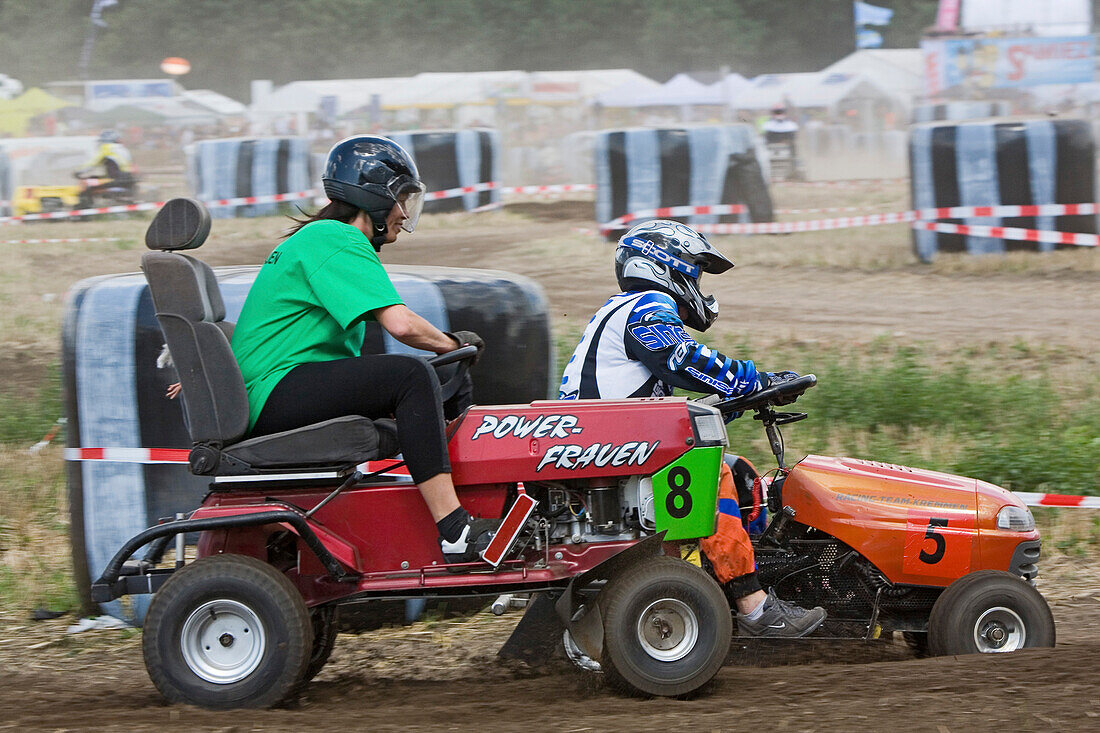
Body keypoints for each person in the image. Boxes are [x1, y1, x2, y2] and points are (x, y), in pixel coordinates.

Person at [229, 134, 496, 564]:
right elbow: (402, 325)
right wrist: (455, 344)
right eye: (400, 199)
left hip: (271, 387)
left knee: (407, 383)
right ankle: (454, 530)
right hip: (272, 389)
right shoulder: (336, 239)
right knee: (409, 375)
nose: (404, 213)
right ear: (372, 195)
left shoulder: (319, 239)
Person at [558, 219, 827, 638]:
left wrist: (741, 398)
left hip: (600, 443)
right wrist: (753, 379)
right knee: (708, 474)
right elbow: (682, 359)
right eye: (695, 272)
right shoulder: (645, 304)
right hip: (602, 449)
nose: (698, 285)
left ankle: (723, 592)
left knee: (742, 474)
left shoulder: (618, 312)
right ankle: (754, 607)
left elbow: (668, 407)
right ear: (666, 266)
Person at [75, 130, 136, 206]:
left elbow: (93, 163)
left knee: (88, 189)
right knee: (94, 179)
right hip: (127, 179)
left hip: (116, 180)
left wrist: (78, 171)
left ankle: (84, 211)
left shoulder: (107, 148)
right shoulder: (123, 149)